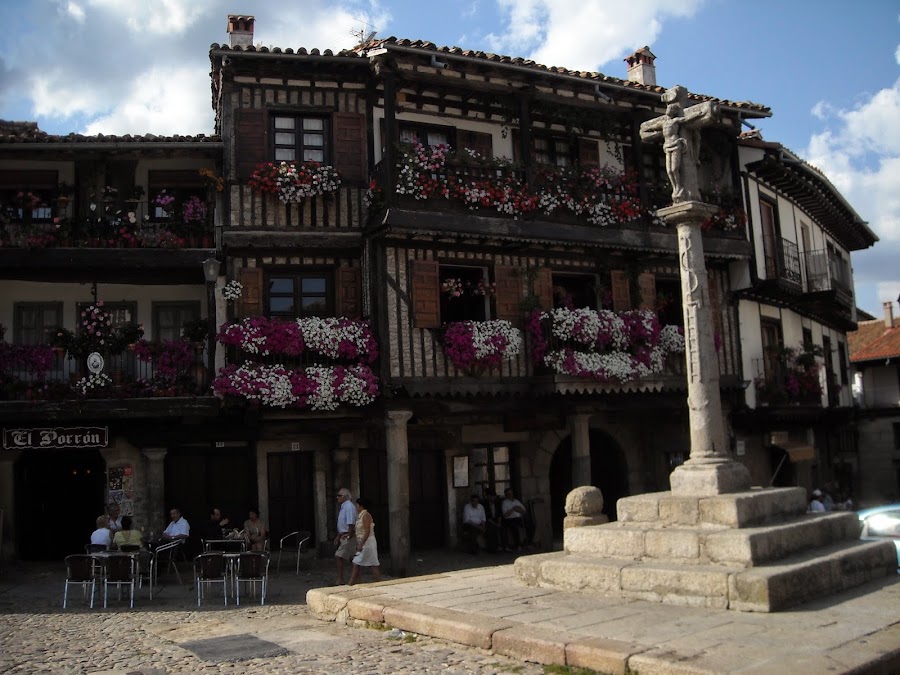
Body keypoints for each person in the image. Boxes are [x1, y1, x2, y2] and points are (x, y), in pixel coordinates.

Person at [348, 497, 381, 585]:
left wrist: (361, 544)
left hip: (368, 543)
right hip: (364, 542)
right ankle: (358, 582)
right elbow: (360, 530)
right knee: (370, 564)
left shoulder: (366, 516)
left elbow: (367, 531)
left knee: (357, 562)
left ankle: (351, 583)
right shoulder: (360, 516)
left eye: (357, 505)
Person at [333, 488, 357, 585]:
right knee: (352, 558)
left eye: (340, 495)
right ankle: (355, 579)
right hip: (344, 535)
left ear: (346, 496)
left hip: (348, 536)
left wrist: (349, 535)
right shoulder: (344, 507)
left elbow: (350, 522)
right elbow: (343, 524)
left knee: (339, 556)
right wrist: (338, 536)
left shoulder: (349, 507)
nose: (337, 497)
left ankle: (340, 579)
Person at [483, 488, 502, 553]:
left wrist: (499, 522)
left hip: (496, 519)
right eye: (491, 497)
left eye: (494, 497)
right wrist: (496, 524)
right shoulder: (485, 504)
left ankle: (504, 546)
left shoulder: (497, 503)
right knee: (491, 528)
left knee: (503, 527)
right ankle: (492, 548)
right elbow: (487, 517)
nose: (493, 498)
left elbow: (499, 513)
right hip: (489, 520)